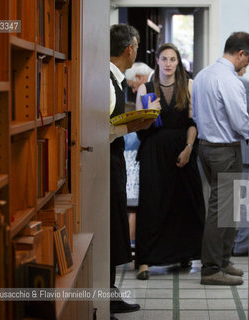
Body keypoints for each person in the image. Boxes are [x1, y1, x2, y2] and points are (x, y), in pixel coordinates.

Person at [134, 43, 205, 280]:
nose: (168, 64)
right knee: (152, 203)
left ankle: (183, 254)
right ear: (157, 61)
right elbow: (139, 130)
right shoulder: (145, 88)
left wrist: (188, 149)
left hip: (182, 150)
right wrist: (148, 115)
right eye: (164, 59)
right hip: (154, 151)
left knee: (184, 202)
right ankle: (144, 261)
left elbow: (193, 123)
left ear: (178, 62)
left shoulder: (189, 85)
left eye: (172, 59)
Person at [192, 32, 249, 286]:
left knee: (227, 208)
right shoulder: (230, 79)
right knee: (220, 211)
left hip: (205, 148)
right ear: (241, 54)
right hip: (225, 150)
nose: (247, 65)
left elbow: (195, 114)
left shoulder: (203, 75)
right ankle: (211, 268)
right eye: (247, 59)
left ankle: (224, 260)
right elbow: (240, 121)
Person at [108, 24, 156, 316]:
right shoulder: (105, 81)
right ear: (130, 49)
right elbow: (98, 127)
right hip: (106, 161)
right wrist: (133, 125)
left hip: (112, 159)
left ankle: (109, 293)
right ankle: (107, 297)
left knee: (114, 225)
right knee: (112, 226)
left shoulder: (115, 79)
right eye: (136, 47)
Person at [232, 66, 249, 257]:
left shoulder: (211, 82)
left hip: (224, 150)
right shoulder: (246, 86)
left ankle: (235, 245)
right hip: (245, 151)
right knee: (245, 203)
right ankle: (240, 246)